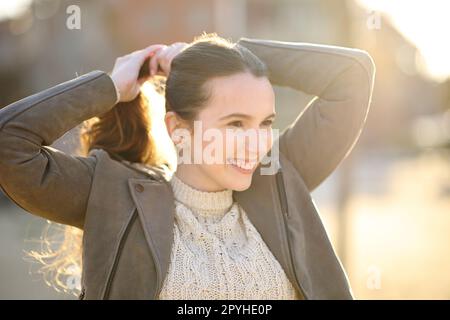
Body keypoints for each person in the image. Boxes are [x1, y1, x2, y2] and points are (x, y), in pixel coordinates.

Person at [0, 32, 375, 299]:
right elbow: (9, 144)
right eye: (235, 124)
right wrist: (112, 87)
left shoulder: (279, 179)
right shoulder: (113, 195)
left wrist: (224, 55)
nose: (257, 143)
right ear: (178, 129)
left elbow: (353, 75)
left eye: (265, 123)